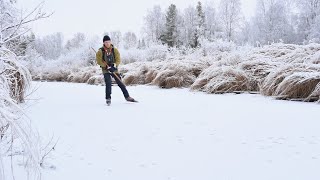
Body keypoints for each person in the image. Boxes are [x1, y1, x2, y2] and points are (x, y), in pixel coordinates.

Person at [96, 35, 136, 105]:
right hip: (105, 69)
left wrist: (114, 66)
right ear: (103, 43)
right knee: (108, 82)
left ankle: (127, 97)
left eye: (108, 42)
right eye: (106, 42)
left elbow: (118, 59)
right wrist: (106, 66)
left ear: (110, 42)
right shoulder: (100, 51)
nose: (107, 43)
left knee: (120, 82)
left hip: (114, 68)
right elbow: (99, 61)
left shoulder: (115, 50)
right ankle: (108, 98)